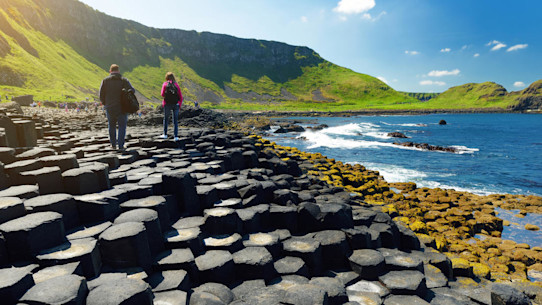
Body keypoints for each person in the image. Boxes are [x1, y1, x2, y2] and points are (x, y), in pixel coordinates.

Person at [99, 64, 135, 151]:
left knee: (111, 126)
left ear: (110, 71)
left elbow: (101, 94)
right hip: (122, 107)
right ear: (118, 71)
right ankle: (121, 145)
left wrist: (105, 103)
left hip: (110, 107)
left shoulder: (105, 81)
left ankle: (113, 144)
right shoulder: (124, 80)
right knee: (122, 126)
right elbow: (132, 91)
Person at [160, 72, 183, 141]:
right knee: (175, 121)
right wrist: (179, 105)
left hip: (167, 104)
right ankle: (175, 136)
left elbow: (162, 94)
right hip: (176, 104)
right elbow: (180, 97)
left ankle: (165, 134)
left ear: (166, 77)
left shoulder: (165, 84)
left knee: (166, 119)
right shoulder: (176, 85)